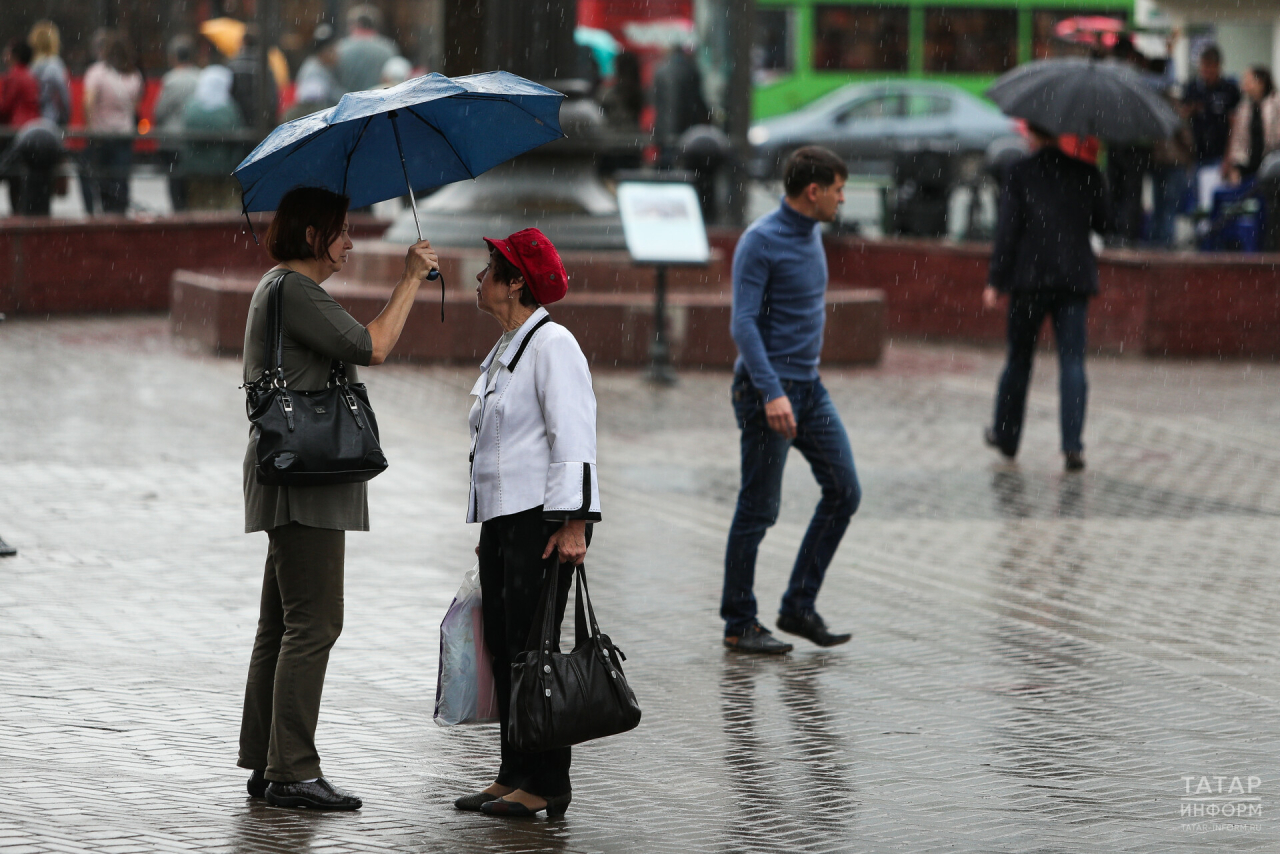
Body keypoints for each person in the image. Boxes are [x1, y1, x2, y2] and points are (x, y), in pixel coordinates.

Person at [237, 186, 438, 810]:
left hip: (287, 471)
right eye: (341, 232)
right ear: (310, 237)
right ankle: (292, 769)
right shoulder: (295, 290)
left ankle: (270, 762)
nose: (350, 243)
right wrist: (410, 278)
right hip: (307, 477)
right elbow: (372, 346)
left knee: (283, 624)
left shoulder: (276, 288)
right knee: (317, 622)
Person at [455, 228, 600, 820]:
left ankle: (546, 783)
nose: (479, 280)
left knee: (533, 654)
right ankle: (512, 772)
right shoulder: (508, 348)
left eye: (491, 270)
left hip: (540, 522)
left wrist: (575, 524)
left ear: (516, 282)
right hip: (502, 522)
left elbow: (575, 434)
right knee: (504, 646)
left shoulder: (552, 344)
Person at [722, 146, 860, 656]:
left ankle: (799, 605)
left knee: (845, 491)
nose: (843, 200)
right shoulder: (761, 241)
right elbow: (744, 324)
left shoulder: (811, 233)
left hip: (808, 387)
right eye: (839, 190)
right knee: (758, 509)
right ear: (814, 191)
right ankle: (739, 622)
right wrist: (772, 392)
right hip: (767, 392)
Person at [983, 125, 1109, 472]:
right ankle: (1073, 445)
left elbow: (1007, 230)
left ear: (1032, 134)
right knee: (1073, 361)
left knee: (1019, 358)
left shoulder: (1019, 172)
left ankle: (1006, 436)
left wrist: (996, 280)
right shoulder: (1087, 173)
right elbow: (1103, 222)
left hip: (1030, 278)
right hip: (1073, 277)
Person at [82, 33, 141, 214]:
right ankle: (119, 217)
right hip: (124, 136)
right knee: (120, 179)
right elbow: (135, 104)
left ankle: (98, 215)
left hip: (101, 137)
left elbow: (88, 102)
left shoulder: (96, 73)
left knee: (96, 177)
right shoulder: (134, 75)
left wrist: (91, 127)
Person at [180, 65, 243, 210]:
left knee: (199, 207)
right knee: (222, 211)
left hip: (196, 171)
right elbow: (237, 140)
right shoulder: (229, 108)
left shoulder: (192, 106)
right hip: (222, 170)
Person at [153, 35, 201, 212]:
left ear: (174, 56)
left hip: (172, 140)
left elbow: (159, 111)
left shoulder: (170, 80)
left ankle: (178, 212)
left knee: (174, 181)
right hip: (193, 138)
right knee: (189, 180)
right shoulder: (200, 78)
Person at [1183, 45, 1240, 170]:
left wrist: (1229, 156)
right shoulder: (1193, 88)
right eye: (1203, 67)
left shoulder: (1229, 89)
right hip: (1196, 152)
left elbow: (1234, 124)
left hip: (1220, 151)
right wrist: (1191, 110)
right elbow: (1183, 117)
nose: (1206, 72)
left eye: (1209, 67)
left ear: (1218, 66)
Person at [652, 45, 709, 167]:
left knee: (667, 165)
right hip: (686, 129)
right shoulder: (690, 71)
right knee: (685, 166)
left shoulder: (660, 71)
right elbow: (697, 101)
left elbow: (657, 102)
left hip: (665, 130)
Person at [1223, 66, 1280, 185]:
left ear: (1261, 83)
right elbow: (1238, 140)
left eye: (1248, 81)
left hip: (1273, 164)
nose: (1244, 85)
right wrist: (1235, 166)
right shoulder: (1244, 108)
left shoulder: (1275, 103)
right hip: (1250, 166)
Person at [336, 5, 399, 94]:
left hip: (346, 102)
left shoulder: (340, 48)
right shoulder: (388, 48)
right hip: (378, 102)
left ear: (354, 24)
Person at [285, 23, 341, 120]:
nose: (336, 54)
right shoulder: (312, 71)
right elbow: (311, 104)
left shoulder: (323, 67)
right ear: (324, 52)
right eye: (332, 50)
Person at [229, 25, 277, 130]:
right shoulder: (265, 68)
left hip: (237, 124)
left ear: (244, 42)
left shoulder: (232, 66)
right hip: (258, 124)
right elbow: (272, 99)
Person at [27, 21, 70, 126]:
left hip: (30, 122)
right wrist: (65, 117)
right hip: (51, 121)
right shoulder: (55, 65)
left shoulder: (30, 67)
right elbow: (63, 97)